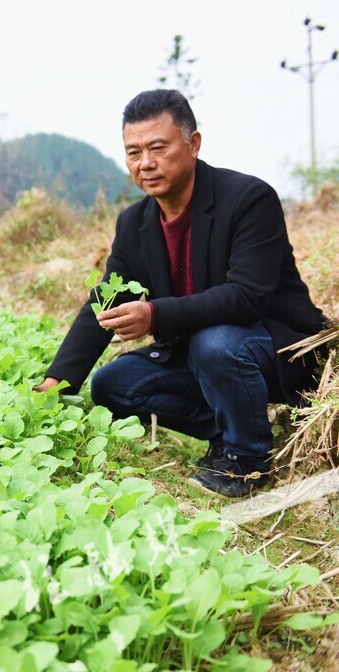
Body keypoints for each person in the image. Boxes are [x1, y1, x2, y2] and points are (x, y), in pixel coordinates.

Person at [36, 89, 327, 498]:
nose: (146, 163)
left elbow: (246, 298)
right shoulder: (134, 222)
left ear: (193, 144)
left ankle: (247, 461)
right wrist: (56, 382)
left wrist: (154, 315)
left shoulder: (248, 199)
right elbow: (106, 299)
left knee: (216, 342)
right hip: (201, 356)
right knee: (113, 384)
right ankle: (232, 431)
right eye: (133, 152)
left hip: (275, 349)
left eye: (158, 147)